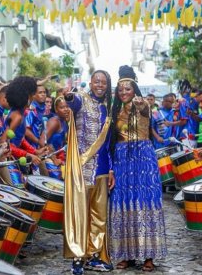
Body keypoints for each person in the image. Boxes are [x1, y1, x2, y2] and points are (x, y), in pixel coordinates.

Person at [108, 66, 167, 271]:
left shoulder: (142, 105)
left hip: (143, 158)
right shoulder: (114, 111)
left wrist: (139, 99)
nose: (124, 93)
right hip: (122, 160)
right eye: (120, 90)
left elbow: (143, 108)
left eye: (128, 89)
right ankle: (127, 254)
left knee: (145, 203)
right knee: (124, 204)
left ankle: (149, 256)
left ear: (135, 90)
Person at [64, 70, 114, 274]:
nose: (100, 85)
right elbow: (71, 101)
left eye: (103, 82)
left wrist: (111, 168)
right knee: (80, 214)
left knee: (99, 215)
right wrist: (68, 96)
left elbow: (109, 142)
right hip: (82, 168)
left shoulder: (109, 108)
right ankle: (78, 256)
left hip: (102, 168)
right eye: (96, 81)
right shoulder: (82, 99)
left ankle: (94, 255)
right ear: (91, 83)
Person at [41, 96, 70, 179]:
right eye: (62, 107)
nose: (65, 109)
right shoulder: (54, 122)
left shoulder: (65, 121)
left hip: (59, 158)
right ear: (56, 110)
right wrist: (54, 159)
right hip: (49, 158)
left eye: (67, 106)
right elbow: (42, 142)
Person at [25, 84, 47, 148]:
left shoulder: (43, 108)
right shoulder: (31, 109)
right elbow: (26, 130)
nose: (43, 94)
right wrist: (39, 142)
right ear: (33, 95)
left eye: (44, 92)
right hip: (30, 147)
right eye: (40, 93)